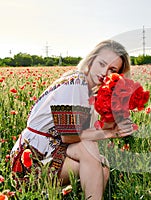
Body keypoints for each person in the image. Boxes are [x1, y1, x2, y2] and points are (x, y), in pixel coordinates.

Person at [10, 40, 134, 200]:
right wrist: (110, 133)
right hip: (30, 160)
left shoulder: (87, 90)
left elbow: (85, 133)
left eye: (112, 70)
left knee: (100, 166)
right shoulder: (75, 83)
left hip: (52, 152)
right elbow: (68, 136)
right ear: (91, 60)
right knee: (91, 154)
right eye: (102, 64)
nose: (105, 72)